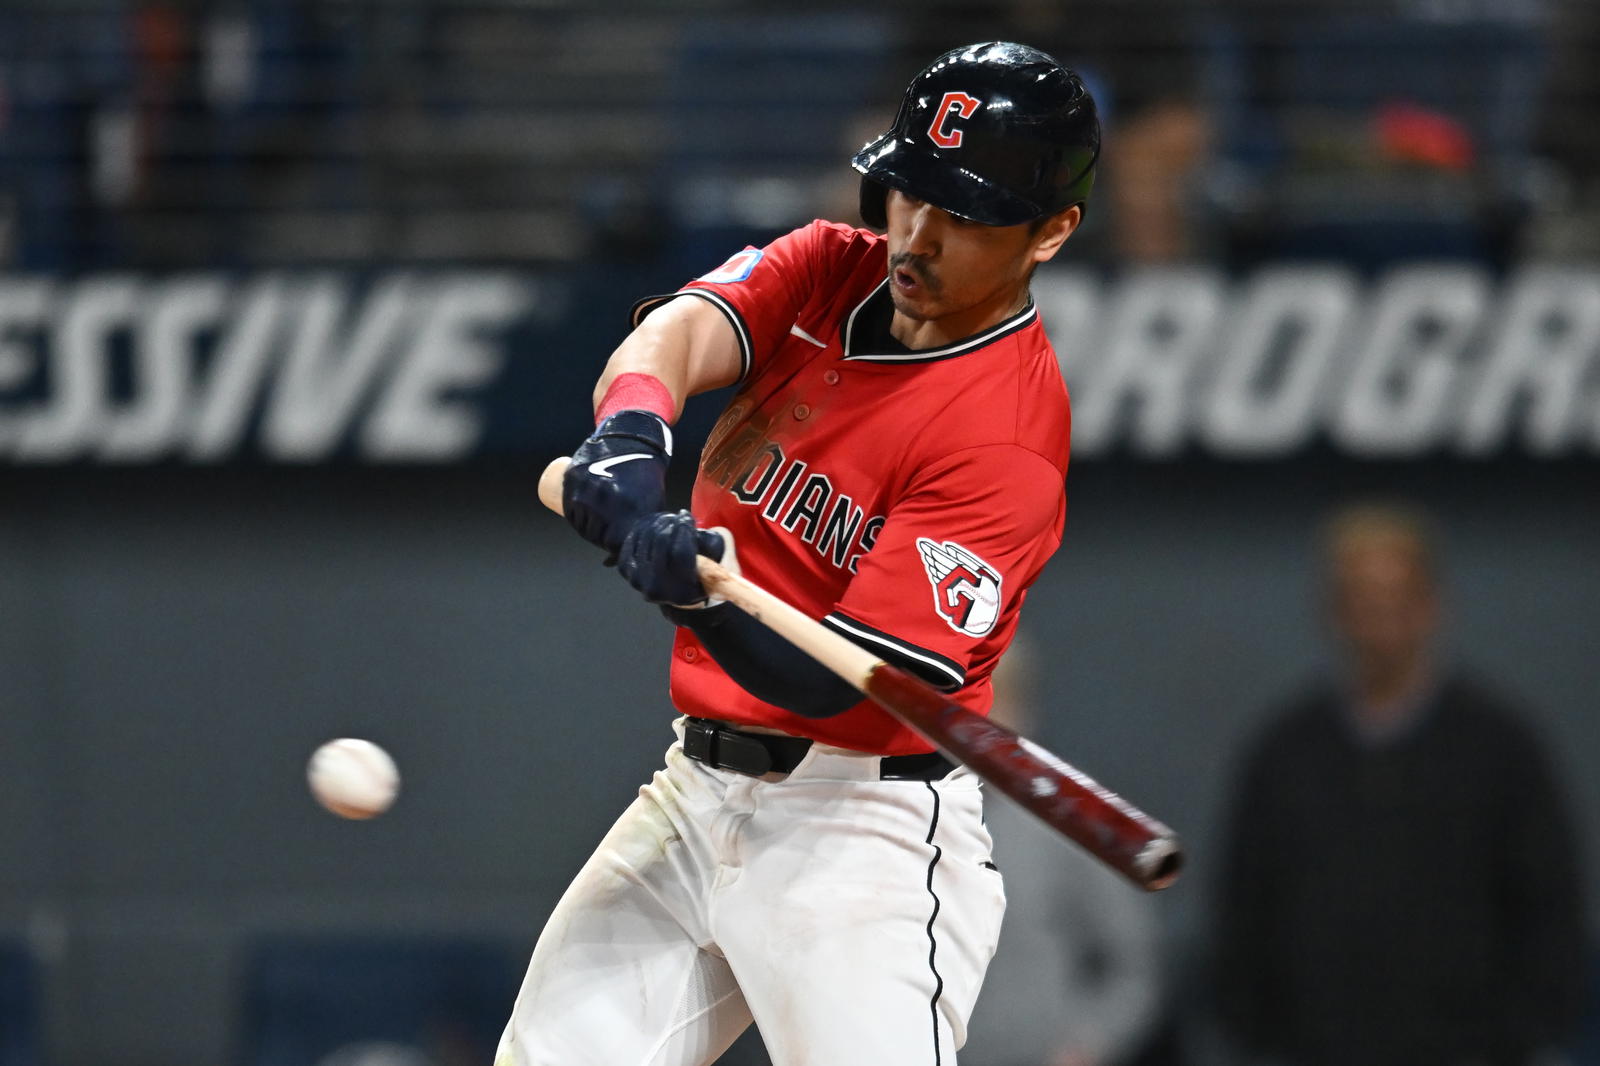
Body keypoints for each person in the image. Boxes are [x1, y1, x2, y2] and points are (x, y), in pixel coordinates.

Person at [496, 41, 1099, 1066]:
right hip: (695, 796)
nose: (916, 235)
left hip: (861, 830)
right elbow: (673, 340)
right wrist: (631, 436)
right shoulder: (829, 266)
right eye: (909, 192)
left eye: (965, 215)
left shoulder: (1006, 437)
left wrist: (699, 602)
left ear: (1050, 233)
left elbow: (854, 692)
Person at [1213, 503, 1587, 1066]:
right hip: (1316, 1051)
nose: (1380, 617)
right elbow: (1243, 910)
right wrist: (1262, 1035)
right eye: (1362, 599)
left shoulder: (1501, 750)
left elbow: (1551, 912)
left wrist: (1518, 1035)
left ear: (1432, 605)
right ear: (1332, 611)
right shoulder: (1284, 756)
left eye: (1397, 597)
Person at [959, 638, 1163, 1066]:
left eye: (996, 698)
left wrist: (1084, 1047)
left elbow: (1132, 966)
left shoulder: (1068, 820)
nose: (980, 718)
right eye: (958, 700)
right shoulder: (893, 818)